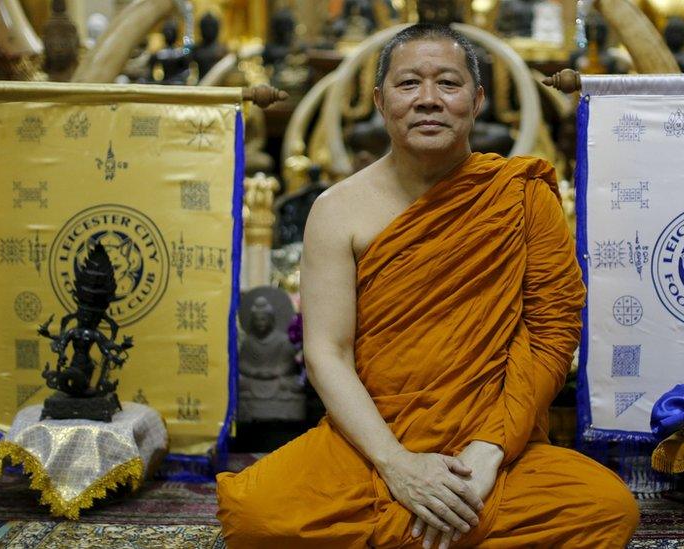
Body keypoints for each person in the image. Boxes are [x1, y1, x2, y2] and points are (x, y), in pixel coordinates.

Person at [216, 23, 639, 548]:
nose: (429, 100)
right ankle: (441, 525)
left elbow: (552, 333)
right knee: (255, 516)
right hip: (371, 439)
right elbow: (327, 351)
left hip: (493, 438)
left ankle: (421, 525)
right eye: (409, 84)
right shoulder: (336, 210)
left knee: (605, 509)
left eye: (448, 83)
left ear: (478, 99)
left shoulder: (520, 194)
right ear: (379, 99)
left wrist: (488, 452)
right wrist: (398, 466)